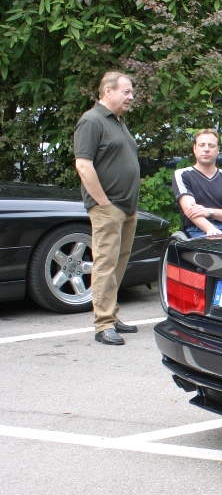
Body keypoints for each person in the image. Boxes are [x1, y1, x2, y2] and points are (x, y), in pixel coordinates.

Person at [74, 72, 141, 346]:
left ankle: (112, 314)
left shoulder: (118, 121)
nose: (131, 96)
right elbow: (83, 165)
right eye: (126, 91)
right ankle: (103, 324)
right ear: (107, 91)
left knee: (118, 263)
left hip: (126, 207)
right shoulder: (92, 121)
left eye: (131, 92)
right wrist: (103, 202)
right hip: (107, 207)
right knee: (105, 263)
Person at [172, 129, 222, 238]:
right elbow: (189, 210)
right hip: (197, 232)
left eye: (211, 145)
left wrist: (209, 212)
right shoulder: (183, 175)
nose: (206, 149)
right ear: (194, 148)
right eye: (202, 145)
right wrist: (211, 229)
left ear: (218, 150)